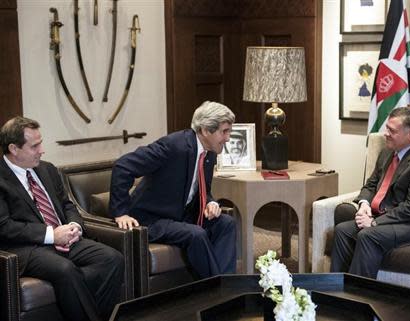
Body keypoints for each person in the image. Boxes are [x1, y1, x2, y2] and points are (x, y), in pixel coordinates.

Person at [0, 117, 124, 321]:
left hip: (65, 237)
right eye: (35, 146)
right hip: (27, 247)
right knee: (66, 270)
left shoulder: (47, 169)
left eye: (41, 142)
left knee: (112, 259)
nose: (42, 150)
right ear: (14, 148)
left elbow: (67, 204)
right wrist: (51, 235)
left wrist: (74, 225)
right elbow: (4, 226)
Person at [109, 101, 237, 278]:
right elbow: (123, 166)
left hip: (180, 215)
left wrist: (210, 202)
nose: (228, 138)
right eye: (224, 131)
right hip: (151, 218)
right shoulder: (173, 146)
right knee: (196, 234)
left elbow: (202, 189)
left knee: (226, 223)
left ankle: (226, 284)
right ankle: (218, 290)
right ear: (206, 130)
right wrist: (120, 212)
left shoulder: (210, 152)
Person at [330, 107, 410, 279]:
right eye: (387, 128)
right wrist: (364, 205)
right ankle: (333, 289)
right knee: (342, 230)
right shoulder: (387, 153)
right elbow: (371, 185)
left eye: (392, 130)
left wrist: (375, 223)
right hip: (391, 217)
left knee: (368, 235)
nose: (386, 133)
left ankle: (357, 295)